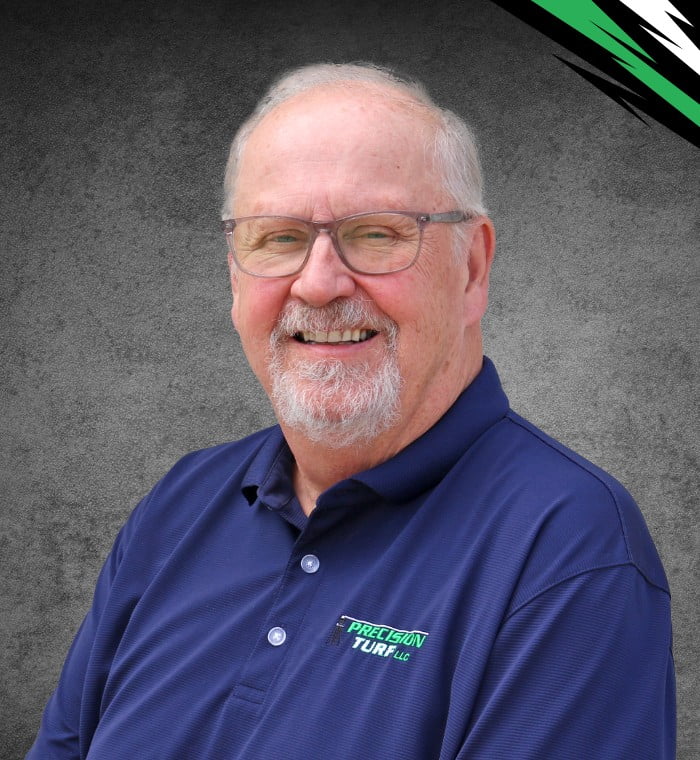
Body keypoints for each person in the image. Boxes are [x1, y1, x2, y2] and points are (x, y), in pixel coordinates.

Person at [28, 62, 675, 759]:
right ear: (233, 272)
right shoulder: (180, 505)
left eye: (375, 233)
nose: (319, 283)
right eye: (277, 237)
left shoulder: (569, 549)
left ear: (472, 269)